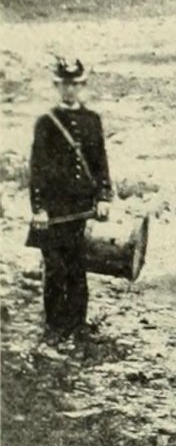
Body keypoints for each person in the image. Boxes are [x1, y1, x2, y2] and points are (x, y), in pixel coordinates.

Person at [27, 57, 113, 350]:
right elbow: (37, 167)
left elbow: (100, 162)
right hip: (53, 211)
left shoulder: (92, 121)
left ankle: (77, 327)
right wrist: (38, 208)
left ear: (82, 85)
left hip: (81, 209)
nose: (70, 90)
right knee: (55, 269)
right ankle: (53, 329)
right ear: (56, 85)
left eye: (75, 84)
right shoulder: (46, 123)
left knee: (77, 268)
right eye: (64, 84)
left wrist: (103, 197)